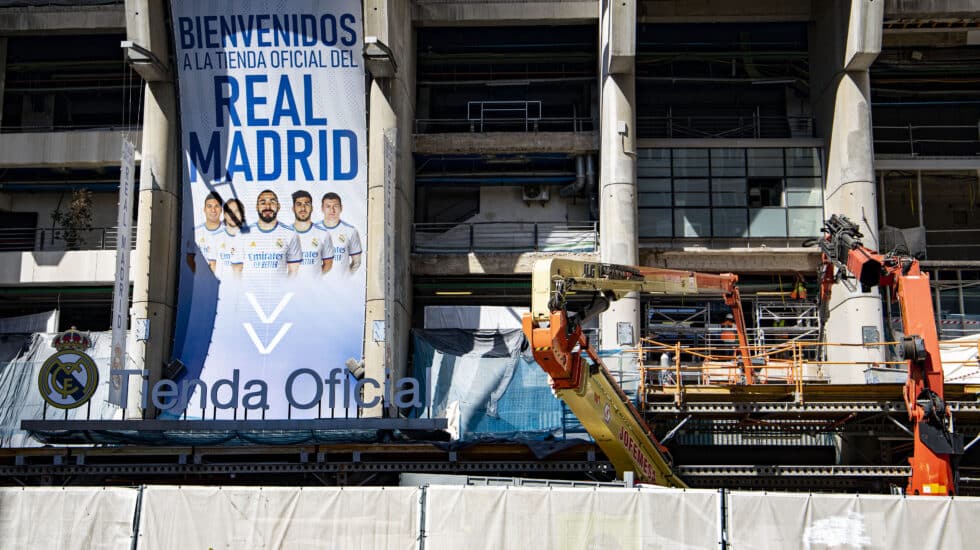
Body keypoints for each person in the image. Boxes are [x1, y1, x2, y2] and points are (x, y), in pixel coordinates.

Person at [243, 189, 301, 276]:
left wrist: (284, 289)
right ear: (256, 207)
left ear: (278, 206)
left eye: (272, 202)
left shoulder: (290, 234)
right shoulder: (244, 234)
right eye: (263, 203)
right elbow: (237, 270)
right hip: (251, 289)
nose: (267, 206)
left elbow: (293, 271)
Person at [317, 192, 362, 275]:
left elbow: (357, 262)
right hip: (317, 285)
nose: (332, 210)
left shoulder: (351, 231)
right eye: (328, 206)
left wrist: (345, 279)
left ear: (341, 208)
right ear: (322, 209)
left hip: (341, 286)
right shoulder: (314, 230)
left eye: (335, 206)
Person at [291, 190, 333, 275]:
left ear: (312, 208)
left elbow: (328, 264)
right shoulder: (285, 234)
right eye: (299, 204)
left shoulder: (323, 234)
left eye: (307, 204)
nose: (303, 208)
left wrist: (314, 279)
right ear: (293, 208)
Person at [208, 198, 246, 279]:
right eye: (230, 211)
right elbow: (212, 265)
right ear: (225, 214)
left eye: (237, 211)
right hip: (221, 288)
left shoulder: (249, 237)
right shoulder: (215, 237)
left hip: (244, 288)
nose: (233, 214)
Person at [186, 191, 223, 273]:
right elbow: (189, 258)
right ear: (204, 209)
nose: (213, 210)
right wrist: (201, 275)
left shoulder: (228, 232)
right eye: (209, 206)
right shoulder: (195, 232)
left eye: (216, 206)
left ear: (221, 209)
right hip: (203, 282)